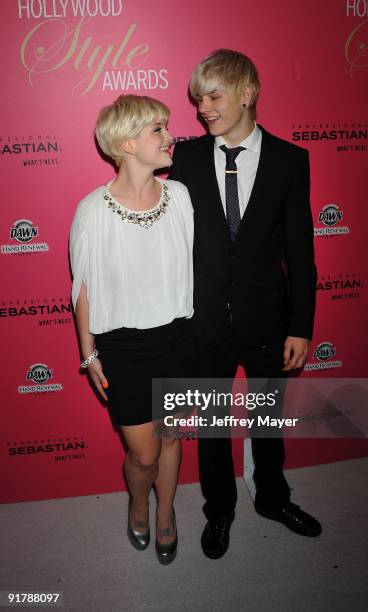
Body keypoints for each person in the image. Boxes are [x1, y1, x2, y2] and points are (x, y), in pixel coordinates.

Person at [169, 49, 321, 560]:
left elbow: (301, 250)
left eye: (213, 97)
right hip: (205, 323)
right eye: (198, 100)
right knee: (211, 427)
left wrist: (301, 326)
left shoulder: (289, 160)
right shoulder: (185, 158)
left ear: (247, 95)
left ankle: (273, 499)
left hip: (267, 320)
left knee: (267, 420)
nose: (203, 109)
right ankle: (220, 511)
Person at [69, 94, 194, 565]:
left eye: (167, 126)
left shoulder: (179, 196)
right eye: (157, 130)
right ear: (126, 144)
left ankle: (166, 514)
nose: (170, 136)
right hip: (124, 348)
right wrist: (89, 354)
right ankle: (138, 502)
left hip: (180, 338)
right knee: (143, 454)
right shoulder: (92, 211)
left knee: (172, 438)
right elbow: (84, 288)